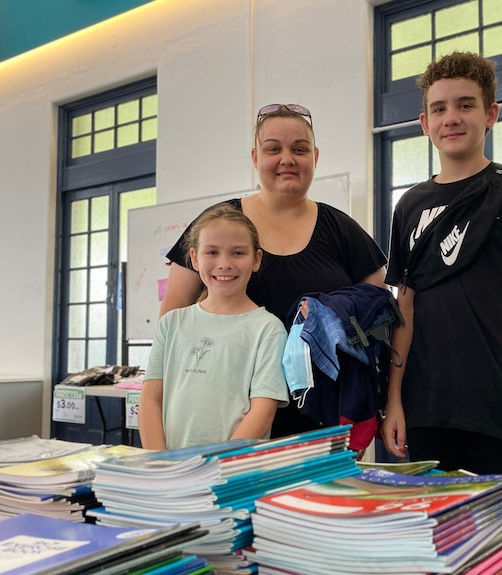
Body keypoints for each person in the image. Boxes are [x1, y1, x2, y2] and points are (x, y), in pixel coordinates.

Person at [380, 52, 502, 480]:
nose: (451, 117)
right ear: (424, 123)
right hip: (426, 409)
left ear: (490, 114)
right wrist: (393, 400)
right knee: (432, 540)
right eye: (439, 108)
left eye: (465, 105)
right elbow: (404, 309)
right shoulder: (410, 205)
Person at [160, 103, 387, 438]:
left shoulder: (343, 231)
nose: (287, 159)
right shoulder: (219, 224)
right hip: (226, 421)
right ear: (255, 158)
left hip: (324, 423)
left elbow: (382, 320)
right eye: (273, 149)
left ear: (315, 157)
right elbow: (172, 325)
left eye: (299, 149)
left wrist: (384, 402)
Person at [139, 204, 290, 450]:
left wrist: (217, 465)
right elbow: (150, 399)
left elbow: (263, 411)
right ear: (194, 259)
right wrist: (159, 462)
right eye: (212, 252)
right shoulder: (172, 323)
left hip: (231, 474)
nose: (224, 263)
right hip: (171, 471)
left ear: (256, 259)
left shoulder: (268, 329)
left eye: (238, 253)